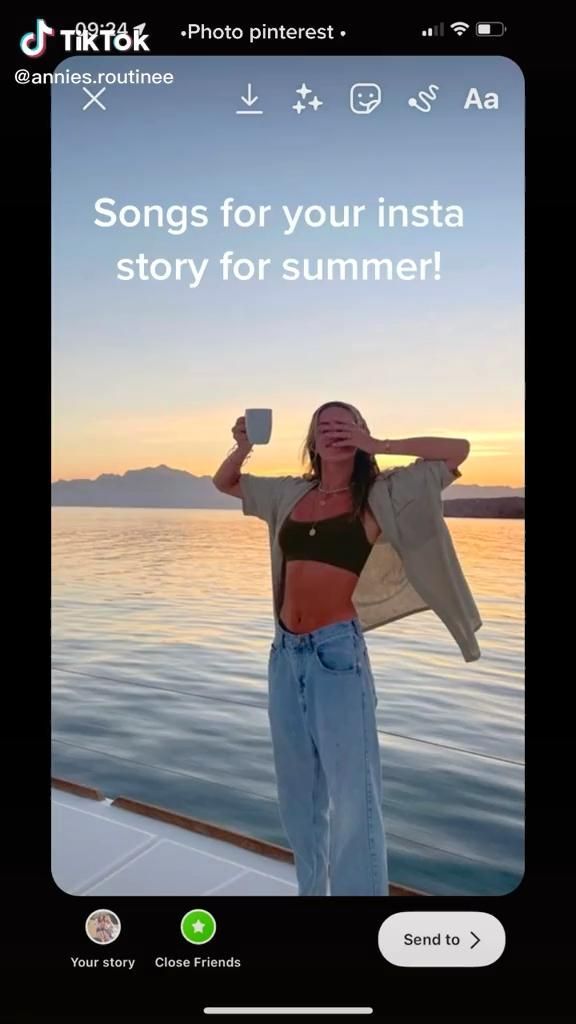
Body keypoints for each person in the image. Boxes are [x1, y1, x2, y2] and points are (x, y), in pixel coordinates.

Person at [213, 401, 481, 896]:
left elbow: (456, 452)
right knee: (298, 799)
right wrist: (244, 445)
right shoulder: (291, 493)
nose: (333, 430)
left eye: (346, 422)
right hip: (284, 655)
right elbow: (226, 482)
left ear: (361, 433)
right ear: (312, 442)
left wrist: (380, 447)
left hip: (336, 659)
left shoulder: (384, 492)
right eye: (324, 424)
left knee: (354, 803)